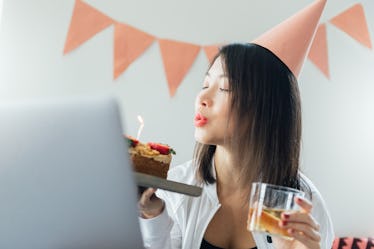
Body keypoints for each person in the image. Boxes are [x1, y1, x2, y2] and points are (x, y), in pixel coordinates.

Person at [138, 1, 334, 248]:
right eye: (204, 85)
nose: (202, 98)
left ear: (265, 108)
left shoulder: (301, 205)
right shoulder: (177, 189)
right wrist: (153, 218)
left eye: (224, 88)